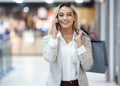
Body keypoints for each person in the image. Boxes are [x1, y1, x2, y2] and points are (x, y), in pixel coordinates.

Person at [42, 3, 94, 86]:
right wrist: (54, 36)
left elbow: (88, 65)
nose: (65, 18)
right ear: (57, 19)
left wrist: (79, 43)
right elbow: (50, 58)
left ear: (74, 17)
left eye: (69, 15)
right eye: (61, 15)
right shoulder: (48, 39)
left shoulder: (83, 38)